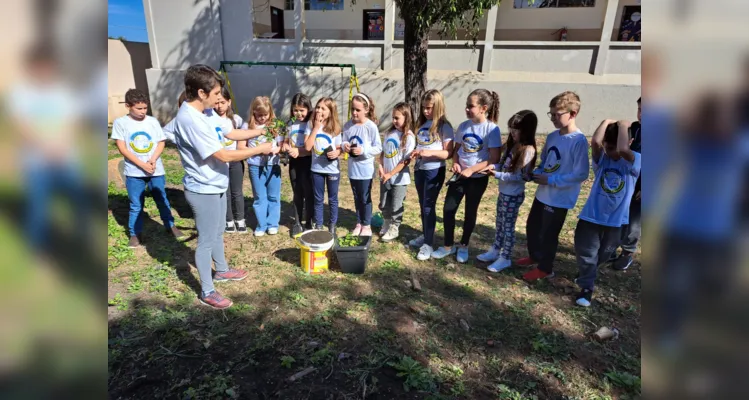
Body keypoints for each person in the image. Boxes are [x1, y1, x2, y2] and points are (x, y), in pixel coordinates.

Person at [171, 64, 273, 309]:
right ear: (201, 93)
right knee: (206, 240)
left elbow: (231, 133)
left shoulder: (207, 113)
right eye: (216, 93)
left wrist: (259, 131)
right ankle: (207, 290)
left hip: (216, 183)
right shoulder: (189, 119)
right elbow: (224, 156)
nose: (219, 99)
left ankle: (222, 270)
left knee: (217, 232)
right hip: (202, 187)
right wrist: (260, 148)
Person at [522, 91, 590, 281]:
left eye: (557, 114)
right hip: (543, 193)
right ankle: (535, 256)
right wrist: (536, 172)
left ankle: (545, 268)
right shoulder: (553, 136)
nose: (552, 118)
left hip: (559, 198)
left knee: (548, 234)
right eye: (550, 114)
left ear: (573, 113)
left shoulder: (578, 141)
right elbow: (546, 161)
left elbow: (581, 173)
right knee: (533, 227)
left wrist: (551, 180)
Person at [574, 120, 641, 306]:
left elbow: (623, 149)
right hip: (591, 216)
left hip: (617, 222)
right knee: (586, 251)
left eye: (616, 148)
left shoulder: (635, 160)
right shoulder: (603, 159)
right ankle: (586, 287)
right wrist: (607, 121)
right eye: (609, 147)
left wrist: (622, 126)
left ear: (631, 141)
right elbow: (595, 142)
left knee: (603, 255)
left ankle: (588, 271)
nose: (613, 153)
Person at [431, 89, 501, 263]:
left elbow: (494, 158)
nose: (467, 109)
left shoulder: (492, 129)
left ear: (484, 108)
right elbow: (457, 150)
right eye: (466, 106)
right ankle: (447, 246)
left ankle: (463, 246)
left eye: (471, 106)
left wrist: (472, 169)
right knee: (448, 209)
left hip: (477, 180)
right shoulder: (463, 126)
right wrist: (455, 162)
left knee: (470, 212)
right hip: (459, 177)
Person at [111, 89, 184, 248]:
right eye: (139, 108)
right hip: (134, 172)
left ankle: (170, 225)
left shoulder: (152, 121)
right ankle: (135, 233)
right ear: (128, 106)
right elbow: (122, 148)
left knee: (162, 198)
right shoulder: (120, 123)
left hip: (155, 170)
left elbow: (160, 142)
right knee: (136, 203)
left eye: (145, 108)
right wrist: (141, 164)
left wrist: (152, 160)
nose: (143, 112)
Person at [478, 110, 538, 272]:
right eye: (511, 128)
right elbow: (505, 165)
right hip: (504, 193)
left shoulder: (528, 150)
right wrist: (494, 166)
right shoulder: (512, 146)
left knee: (508, 227)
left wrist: (496, 174)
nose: (512, 132)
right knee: (499, 223)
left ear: (526, 130)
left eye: (516, 129)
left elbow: (517, 176)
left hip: (513, 195)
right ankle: (495, 250)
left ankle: (505, 257)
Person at [408, 89, 455, 260]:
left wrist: (427, 154)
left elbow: (447, 153)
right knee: (422, 205)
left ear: (438, 107)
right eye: (424, 108)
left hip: (434, 171)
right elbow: (420, 145)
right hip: (420, 170)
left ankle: (428, 244)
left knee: (428, 206)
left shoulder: (444, 127)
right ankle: (425, 235)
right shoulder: (422, 125)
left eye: (429, 108)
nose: (426, 111)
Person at [239, 96, 283, 236]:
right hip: (255, 166)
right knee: (259, 197)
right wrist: (257, 152)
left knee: (273, 196)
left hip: (272, 165)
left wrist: (276, 150)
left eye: (266, 115)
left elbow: (281, 144)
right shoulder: (247, 127)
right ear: (253, 113)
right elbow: (241, 147)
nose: (262, 118)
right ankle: (261, 224)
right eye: (259, 115)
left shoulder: (275, 126)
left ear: (270, 112)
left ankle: (272, 224)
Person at [341, 93, 383, 236]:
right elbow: (343, 140)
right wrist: (344, 146)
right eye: (352, 109)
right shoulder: (348, 125)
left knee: (365, 197)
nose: (354, 112)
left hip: (365, 170)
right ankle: (359, 222)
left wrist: (363, 150)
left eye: (358, 110)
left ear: (366, 109)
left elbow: (378, 147)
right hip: (353, 169)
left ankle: (367, 224)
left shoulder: (370, 126)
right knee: (356, 196)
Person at [207, 87, 246, 233]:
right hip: (220, 161)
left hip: (235, 161)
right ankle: (228, 220)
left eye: (222, 102)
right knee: (225, 191)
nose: (219, 106)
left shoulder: (236, 120)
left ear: (229, 102)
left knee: (237, 191)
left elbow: (243, 136)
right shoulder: (210, 120)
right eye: (216, 103)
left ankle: (240, 219)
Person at [610, 97, 641, 270]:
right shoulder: (634, 128)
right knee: (620, 214)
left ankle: (627, 252)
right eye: (640, 109)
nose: (643, 114)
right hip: (626, 180)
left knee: (634, 221)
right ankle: (611, 247)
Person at [304, 97, 343, 235]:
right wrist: (316, 127)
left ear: (331, 112)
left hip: (332, 169)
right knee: (318, 198)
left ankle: (332, 225)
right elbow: (308, 146)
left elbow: (339, 147)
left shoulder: (336, 128)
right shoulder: (310, 124)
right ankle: (319, 225)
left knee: (333, 198)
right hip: (316, 169)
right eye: (318, 107)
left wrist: (337, 152)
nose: (319, 110)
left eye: (323, 108)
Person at [378, 102, 416, 242]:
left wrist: (391, 174)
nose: (394, 121)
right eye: (393, 117)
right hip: (385, 176)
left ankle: (394, 227)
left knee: (396, 204)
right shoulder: (390, 133)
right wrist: (381, 168)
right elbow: (383, 153)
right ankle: (386, 222)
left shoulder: (409, 137)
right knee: (384, 202)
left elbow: (405, 161)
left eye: (397, 118)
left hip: (399, 179)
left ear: (406, 118)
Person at [284, 93, 315, 236]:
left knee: (308, 192)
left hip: (308, 162)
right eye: (296, 110)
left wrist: (299, 151)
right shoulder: (290, 124)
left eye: (302, 110)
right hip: (294, 162)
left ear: (308, 109)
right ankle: (297, 222)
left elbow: (312, 148)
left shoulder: (311, 124)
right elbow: (286, 140)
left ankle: (309, 222)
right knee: (297, 192)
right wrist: (285, 146)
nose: (299, 113)